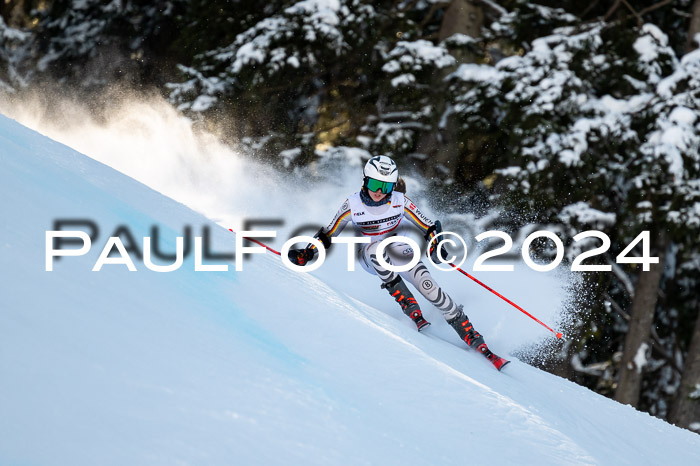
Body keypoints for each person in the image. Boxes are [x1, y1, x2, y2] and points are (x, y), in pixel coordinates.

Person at [288, 155, 508, 370]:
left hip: (398, 251)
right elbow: (329, 233)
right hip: (369, 256)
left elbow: (430, 226)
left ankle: (469, 333)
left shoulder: (400, 202)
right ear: (365, 180)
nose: (378, 192)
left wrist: (436, 244)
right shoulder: (352, 205)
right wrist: (308, 253)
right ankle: (405, 300)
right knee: (377, 248)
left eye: (385, 187)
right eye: (374, 184)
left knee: (428, 285)